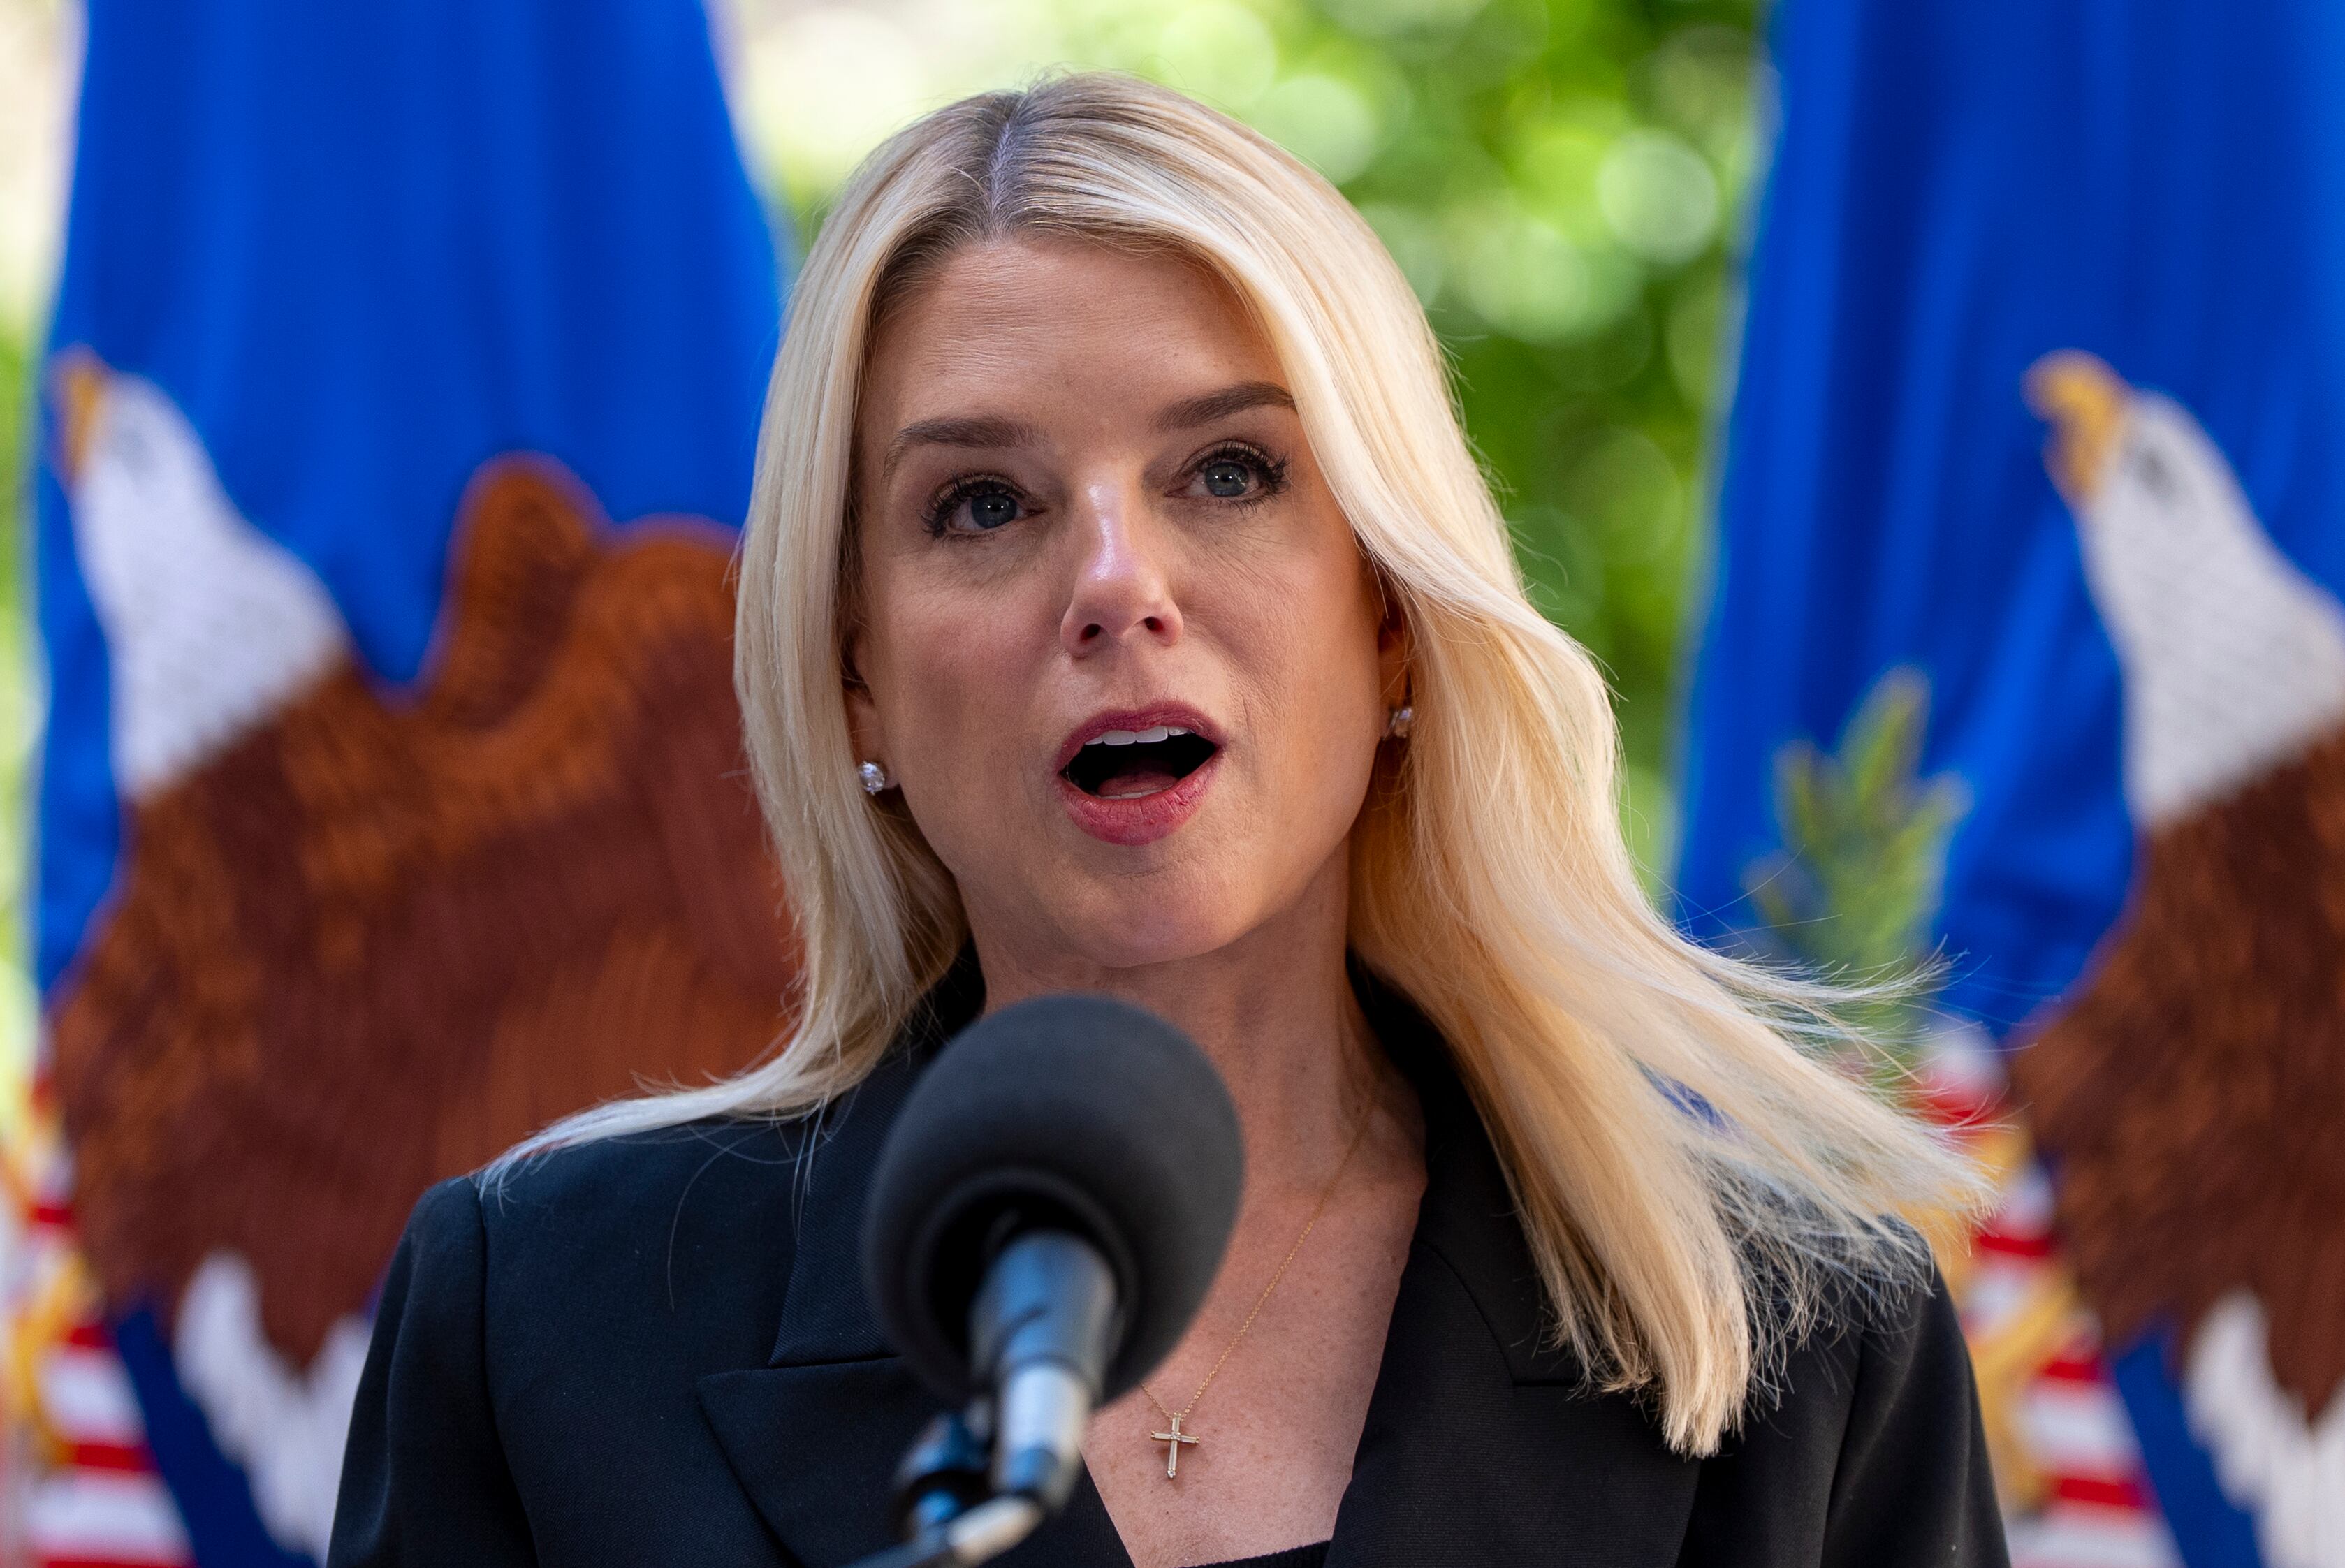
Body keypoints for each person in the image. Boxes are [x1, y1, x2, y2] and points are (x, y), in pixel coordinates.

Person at [330, 73, 2004, 1568]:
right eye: (982, 504)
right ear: (853, 674)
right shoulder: (543, 1322)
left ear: (1390, 612)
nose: (1117, 587)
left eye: (1228, 473)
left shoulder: (1801, 1345)